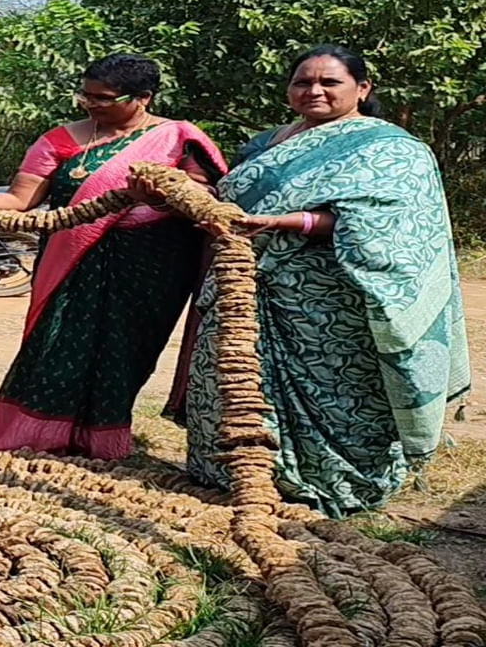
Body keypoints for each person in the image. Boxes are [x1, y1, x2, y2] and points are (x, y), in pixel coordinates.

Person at [157, 45, 469, 518]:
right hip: (243, 286)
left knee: (336, 388)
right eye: (303, 82)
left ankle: (332, 479)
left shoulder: (392, 150)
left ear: (362, 89)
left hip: (329, 298)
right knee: (236, 378)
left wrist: (288, 222)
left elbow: (387, 227)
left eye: (330, 82)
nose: (314, 91)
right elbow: (228, 199)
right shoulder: (265, 144)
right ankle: (233, 470)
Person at [0, 54, 228, 460]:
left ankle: (99, 441)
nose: (91, 105)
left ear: (143, 97)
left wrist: (161, 196)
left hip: (152, 268)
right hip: (71, 260)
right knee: (52, 347)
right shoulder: (60, 140)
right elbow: (20, 199)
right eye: (85, 96)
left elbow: (206, 201)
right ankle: (33, 437)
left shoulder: (179, 138)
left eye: (104, 98)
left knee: (126, 354)